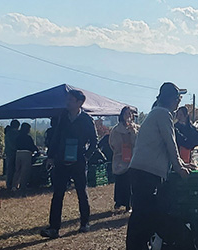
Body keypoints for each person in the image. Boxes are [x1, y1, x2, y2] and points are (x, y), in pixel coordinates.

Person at [124, 83, 192, 250]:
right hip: (146, 171)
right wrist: (179, 168)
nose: (179, 101)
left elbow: (166, 146)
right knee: (142, 212)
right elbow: (170, 143)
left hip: (143, 169)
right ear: (171, 99)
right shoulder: (163, 114)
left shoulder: (157, 112)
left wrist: (182, 163)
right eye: (178, 97)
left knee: (145, 210)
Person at [41, 88, 98, 238]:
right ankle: (54, 228)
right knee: (58, 194)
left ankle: (85, 223)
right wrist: (51, 156)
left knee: (81, 192)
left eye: (71, 100)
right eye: (67, 99)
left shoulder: (86, 119)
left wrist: (86, 156)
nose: (67, 102)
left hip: (78, 160)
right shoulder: (63, 117)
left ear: (79, 103)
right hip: (61, 160)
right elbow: (56, 138)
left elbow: (94, 141)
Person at [109, 105, 138, 212]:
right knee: (120, 180)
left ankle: (128, 204)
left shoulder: (135, 128)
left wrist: (133, 132)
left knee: (130, 182)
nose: (128, 115)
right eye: (126, 113)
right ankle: (118, 202)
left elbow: (138, 142)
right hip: (120, 158)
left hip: (132, 158)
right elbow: (112, 143)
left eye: (130, 114)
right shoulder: (116, 129)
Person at [12, 122, 39, 194]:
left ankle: (14, 186)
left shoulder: (18, 137)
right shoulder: (28, 137)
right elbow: (32, 146)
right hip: (26, 153)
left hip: (18, 153)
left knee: (17, 170)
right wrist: (37, 150)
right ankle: (22, 186)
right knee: (25, 171)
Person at [3, 120, 21, 190]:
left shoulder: (8, 133)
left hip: (9, 153)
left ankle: (10, 183)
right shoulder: (12, 133)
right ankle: (11, 184)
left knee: (10, 169)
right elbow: (13, 144)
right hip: (12, 153)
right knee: (13, 169)